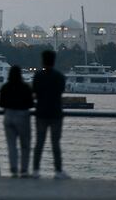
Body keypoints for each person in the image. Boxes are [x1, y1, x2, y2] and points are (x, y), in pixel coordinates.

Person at [32, 49, 70, 179]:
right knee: (55, 143)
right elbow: (61, 92)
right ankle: (58, 171)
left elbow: (35, 93)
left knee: (39, 143)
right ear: (54, 61)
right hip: (55, 113)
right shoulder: (59, 77)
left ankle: (36, 170)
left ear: (42, 61)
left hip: (41, 113)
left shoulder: (38, 76)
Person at [0, 65, 34, 178]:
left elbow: (1, 104)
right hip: (22, 116)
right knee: (25, 144)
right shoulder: (25, 87)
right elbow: (30, 104)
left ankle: (13, 168)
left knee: (11, 145)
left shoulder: (5, 87)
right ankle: (24, 169)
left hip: (8, 116)